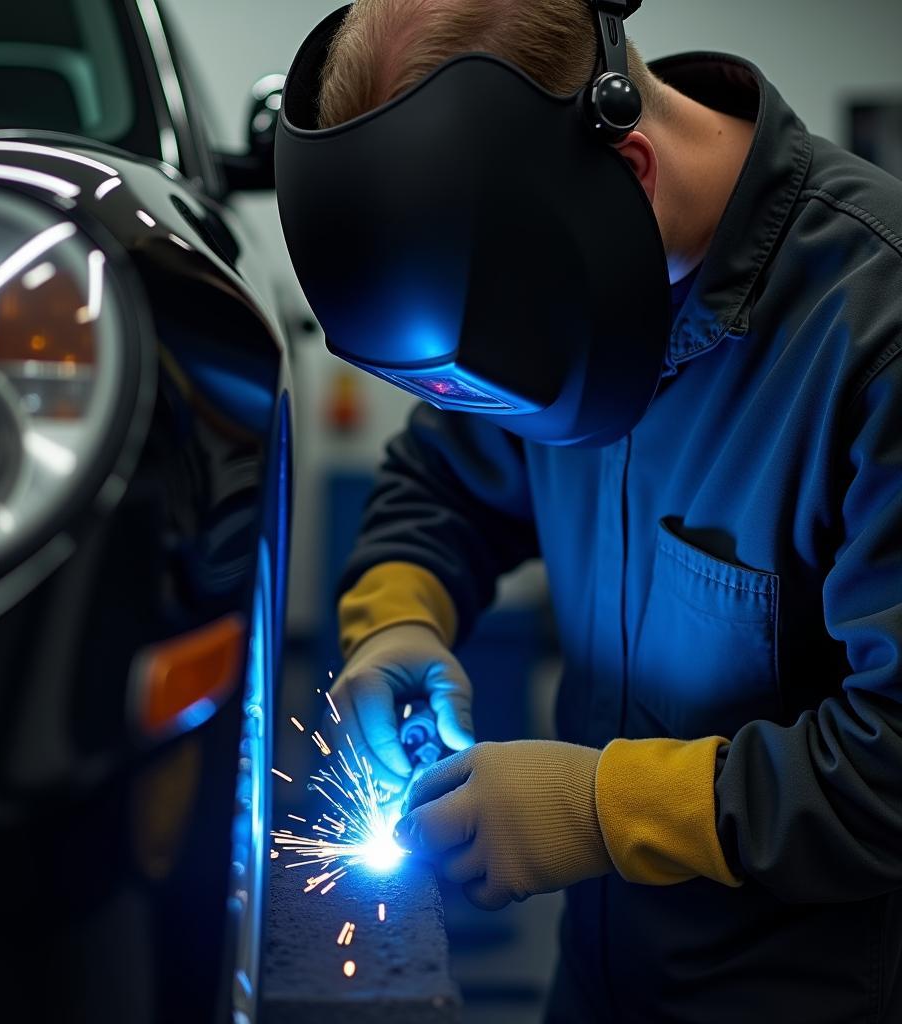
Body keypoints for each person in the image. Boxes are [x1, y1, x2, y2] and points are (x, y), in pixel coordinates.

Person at [302, 0, 902, 1019]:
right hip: (597, 979)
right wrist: (397, 619)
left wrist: (604, 808)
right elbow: (440, 479)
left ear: (625, 174)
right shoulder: (533, 285)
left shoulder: (871, 335)